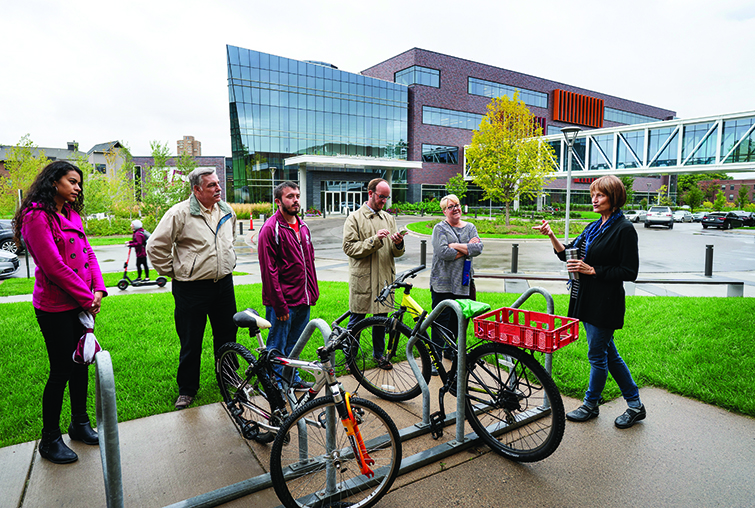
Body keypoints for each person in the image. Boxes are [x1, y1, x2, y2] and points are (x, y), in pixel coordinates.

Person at [532, 175, 645, 429]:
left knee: (597, 356)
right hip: (586, 299)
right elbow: (568, 254)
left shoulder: (624, 229)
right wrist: (551, 235)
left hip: (605, 303)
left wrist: (593, 270)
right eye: (593, 194)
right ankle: (635, 405)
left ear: (613, 198)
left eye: (600, 195)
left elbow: (629, 271)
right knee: (609, 355)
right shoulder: (594, 227)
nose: (594, 199)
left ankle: (590, 404)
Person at [14, 161, 107, 464]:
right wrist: (86, 298)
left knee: (82, 364)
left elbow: (88, 253)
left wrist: (98, 290)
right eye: (72, 181)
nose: (77, 188)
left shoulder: (72, 213)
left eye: (79, 183)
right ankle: (50, 439)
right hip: (55, 307)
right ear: (54, 182)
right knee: (61, 370)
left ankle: (79, 423)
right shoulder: (36, 218)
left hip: (81, 303)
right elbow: (53, 266)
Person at [147, 167, 238, 410]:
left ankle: (229, 377)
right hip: (191, 289)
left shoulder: (227, 211)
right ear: (197, 189)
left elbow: (231, 240)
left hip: (224, 285)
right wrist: (175, 271)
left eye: (218, 183)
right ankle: (187, 389)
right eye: (211, 185)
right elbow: (155, 246)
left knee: (227, 335)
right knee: (191, 340)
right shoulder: (180, 213)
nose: (218, 188)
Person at [258, 181, 319, 390]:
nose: (295, 200)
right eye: (290, 196)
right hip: (283, 301)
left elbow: (309, 262)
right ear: (278, 201)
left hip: (303, 298)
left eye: (297, 196)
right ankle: (275, 386)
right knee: (277, 347)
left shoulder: (303, 226)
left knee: (295, 345)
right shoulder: (270, 229)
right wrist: (279, 304)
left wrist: (313, 291)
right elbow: (269, 271)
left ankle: (292, 380)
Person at [342, 178, 405, 369]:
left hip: (385, 277)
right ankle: (350, 358)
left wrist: (398, 243)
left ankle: (379, 356)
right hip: (364, 279)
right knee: (356, 321)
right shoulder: (354, 218)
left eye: (387, 197)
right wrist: (375, 240)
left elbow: (396, 253)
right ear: (370, 193)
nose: (384, 201)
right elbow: (349, 248)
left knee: (382, 320)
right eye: (381, 197)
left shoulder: (389, 218)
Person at [429, 194, 483, 373]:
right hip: (442, 283)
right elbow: (443, 253)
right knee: (440, 323)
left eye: (457, 205)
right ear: (444, 211)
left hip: (463, 283)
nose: (455, 209)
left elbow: (478, 248)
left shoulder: (471, 227)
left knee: (458, 322)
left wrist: (456, 245)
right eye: (450, 206)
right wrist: (467, 248)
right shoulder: (439, 229)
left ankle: (451, 352)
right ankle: (434, 360)